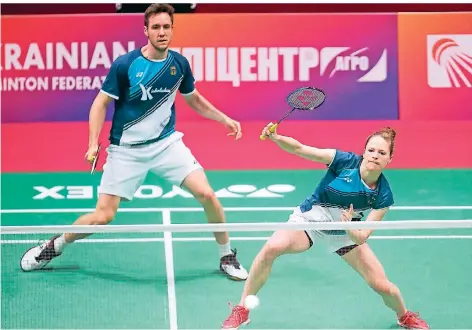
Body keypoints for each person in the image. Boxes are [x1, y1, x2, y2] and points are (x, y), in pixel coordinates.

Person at [20, 3, 248, 281]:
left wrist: (223, 118)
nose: (162, 32)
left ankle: (226, 255)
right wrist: (93, 143)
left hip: (166, 145)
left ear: (172, 29)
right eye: (156, 27)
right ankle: (52, 246)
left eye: (166, 27)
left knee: (208, 195)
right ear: (146, 31)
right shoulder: (126, 65)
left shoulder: (179, 64)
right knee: (103, 216)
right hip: (126, 151)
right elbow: (100, 103)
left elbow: (194, 99)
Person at [221, 124, 429, 329]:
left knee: (382, 286)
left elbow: (361, 236)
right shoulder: (344, 161)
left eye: (381, 152)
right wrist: (277, 138)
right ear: (363, 152)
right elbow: (300, 149)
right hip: (311, 220)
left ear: (389, 159)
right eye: (371, 150)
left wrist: (347, 226)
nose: (375, 155)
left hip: (345, 231)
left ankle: (404, 316)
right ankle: (242, 310)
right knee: (271, 248)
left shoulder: (383, 194)